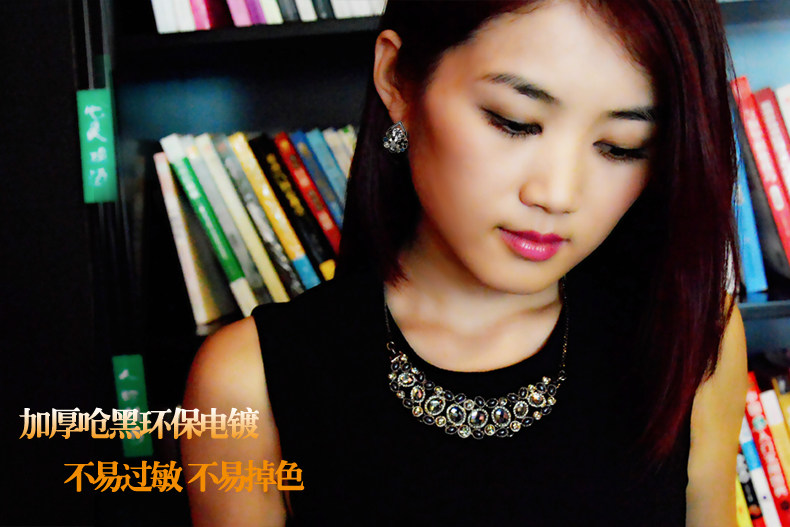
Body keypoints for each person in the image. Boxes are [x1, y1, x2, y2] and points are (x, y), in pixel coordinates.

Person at [181, 0, 748, 525]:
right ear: (397, 79)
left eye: (621, 145)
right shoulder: (246, 382)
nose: (557, 194)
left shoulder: (693, 338)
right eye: (513, 120)